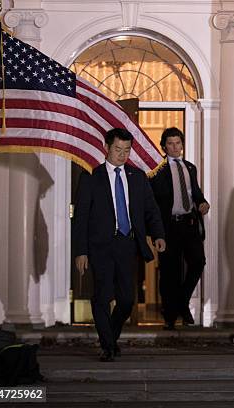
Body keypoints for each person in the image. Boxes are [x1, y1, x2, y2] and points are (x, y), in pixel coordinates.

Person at [73, 128, 166, 362]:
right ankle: (108, 347)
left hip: (128, 244)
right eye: (117, 149)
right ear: (106, 147)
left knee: (126, 300)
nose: (122, 155)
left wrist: (158, 235)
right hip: (100, 246)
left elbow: (151, 210)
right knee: (102, 296)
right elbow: (81, 217)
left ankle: (110, 339)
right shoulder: (91, 176)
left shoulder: (137, 177)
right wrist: (80, 251)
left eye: (126, 150)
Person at [150, 127, 210, 329]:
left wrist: (202, 203)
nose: (175, 147)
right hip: (169, 226)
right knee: (169, 272)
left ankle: (181, 302)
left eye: (178, 143)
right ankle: (170, 314)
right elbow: (153, 202)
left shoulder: (190, 168)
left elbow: (196, 193)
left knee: (198, 262)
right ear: (164, 146)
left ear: (182, 145)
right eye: (170, 143)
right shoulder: (157, 170)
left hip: (189, 223)